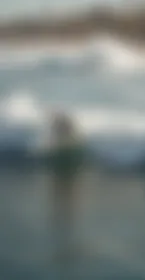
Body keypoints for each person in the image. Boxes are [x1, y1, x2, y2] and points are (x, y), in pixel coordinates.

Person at [46, 111, 87, 259]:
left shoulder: (66, 131)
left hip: (66, 170)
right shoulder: (62, 130)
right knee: (64, 192)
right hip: (65, 170)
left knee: (65, 192)